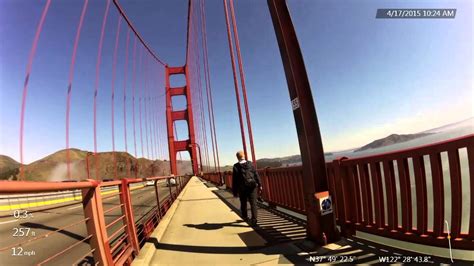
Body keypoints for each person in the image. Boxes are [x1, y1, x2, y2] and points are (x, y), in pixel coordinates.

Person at [232, 151, 262, 226]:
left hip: (242, 188)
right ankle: (254, 220)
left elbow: (234, 180)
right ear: (244, 156)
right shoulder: (250, 163)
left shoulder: (235, 166)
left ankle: (245, 217)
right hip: (252, 187)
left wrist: (235, 192)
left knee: (243, 203)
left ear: (237, 157)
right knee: (253, 203)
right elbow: (256, 174)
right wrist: (260, 184)